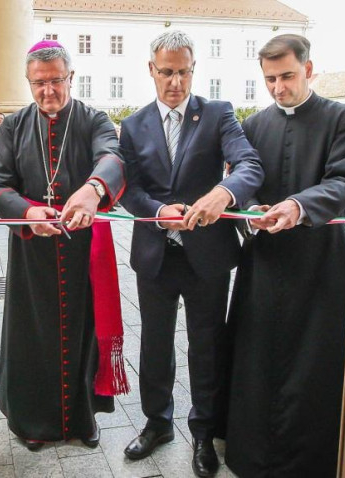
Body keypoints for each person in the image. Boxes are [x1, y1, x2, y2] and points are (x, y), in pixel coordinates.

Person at [119, 30, 263, 477]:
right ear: (151, 70)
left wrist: (224, 192)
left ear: (194, 69)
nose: (176, 82)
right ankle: (157, 423)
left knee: (206, 345)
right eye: (167, 72)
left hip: (208, 256)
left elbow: (249, 164)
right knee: (154, 343)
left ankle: (203, 432)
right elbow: (129, 189)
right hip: (156, 255)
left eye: (184, 72)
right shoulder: (134, 124)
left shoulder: (218, 114)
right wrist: (158, 212)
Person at [224, 34, 345, 477]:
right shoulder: (253, 125)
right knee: (258, 357)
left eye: (287, 76)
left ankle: (309, 460)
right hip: (265, 258)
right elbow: (244, 183)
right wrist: (250, 213)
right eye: (270, 79)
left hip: (320, 261)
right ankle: (254, 454)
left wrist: (298, 206)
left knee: (314, 360)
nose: (278, 88)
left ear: (309, 69)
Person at [0, 40, 126, 451]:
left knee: (83, 332)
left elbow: (112, 157)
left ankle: (83, 419)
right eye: (39, 83)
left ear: (71, 77)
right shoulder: (14, 126)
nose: (48, 90)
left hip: (82, 247)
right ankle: (32, 422)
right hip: (31, 249)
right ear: (29, 81)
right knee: (31, 337)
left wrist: (93, 189)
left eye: (56, 80)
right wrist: (27, 212)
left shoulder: (93, 119)